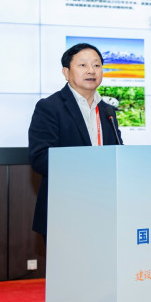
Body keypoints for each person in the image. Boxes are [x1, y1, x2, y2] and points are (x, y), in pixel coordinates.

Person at [28, 43, 123, 240]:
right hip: (65, 210)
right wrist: (90, 163)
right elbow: (40, 158)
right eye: (83, 65)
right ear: (66, 72)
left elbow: (118, 153)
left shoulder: (107, 110)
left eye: (96, 65)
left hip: (103, 208)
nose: (91, 71)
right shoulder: (50, 107)